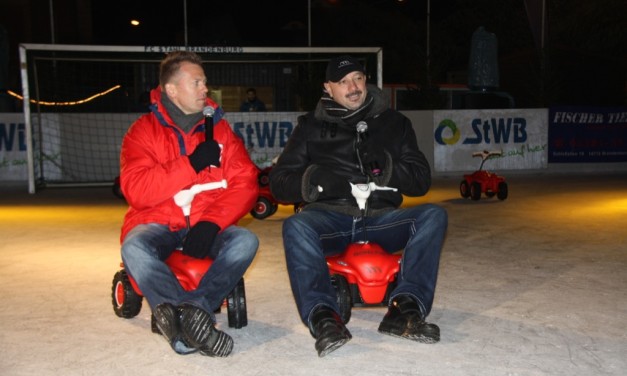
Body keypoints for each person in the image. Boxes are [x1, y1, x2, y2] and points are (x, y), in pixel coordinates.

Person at [269, 55, 448, 357]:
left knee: (433, 215)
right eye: (343, 82)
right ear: (328, 88)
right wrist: (317, 179)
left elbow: (420, 180)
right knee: (296, 225)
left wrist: (386, 165)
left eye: (358, 78)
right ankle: (324, 317)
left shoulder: (395, 124)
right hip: (330, 218)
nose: (353, 87)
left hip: (382, 219)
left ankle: (405, 308)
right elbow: (279, 183)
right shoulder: (310, 127)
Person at [119, 50, 259, 357]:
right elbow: (137, 190)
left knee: (246, 240)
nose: (204, 89)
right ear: (172, 89)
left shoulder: (220, 130)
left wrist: (212, 222)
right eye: (196, 83)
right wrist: (191, 163)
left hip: (206, 221)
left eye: (204, 82)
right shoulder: (142, 132)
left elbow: (246, 182)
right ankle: (189, 321)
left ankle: (191, 313)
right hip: (158, 222)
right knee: (133, 247)